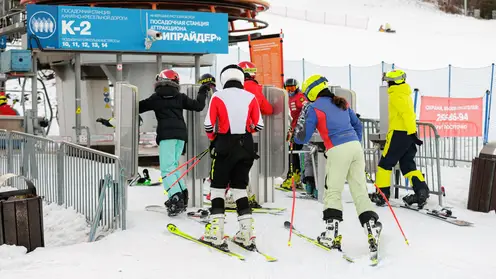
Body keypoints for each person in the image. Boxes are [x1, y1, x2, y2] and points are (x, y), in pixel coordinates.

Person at [294, 74, 381, 253]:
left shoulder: (313, 107)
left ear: (311, 91)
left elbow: (302, 137)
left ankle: (331, 234)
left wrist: (301, 120)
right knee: (359, 190)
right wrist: (352, 142)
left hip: (337, 148)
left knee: (332, 190)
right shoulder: (341, 103)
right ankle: (372, 228)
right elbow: (358, 126)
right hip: (355, 147)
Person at [202, 64, 263, 251]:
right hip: (246, 147)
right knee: (240, 189)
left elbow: (208, 125)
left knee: (218, 188)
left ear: (224, 79)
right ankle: (246, 234)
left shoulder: (217, 96)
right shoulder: (251, 97)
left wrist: (215, 139)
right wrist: (247, 131)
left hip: (224, 146)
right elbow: (258, 125)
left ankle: (216, 232)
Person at [140, 69, 209, 216]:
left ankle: (175, 197)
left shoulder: (156, 98)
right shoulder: (180, 97)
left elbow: (137, 107)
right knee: (174, 166)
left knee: (166, 169)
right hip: (180, 136)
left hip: (166, 136)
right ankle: (183, 195)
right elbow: (198, 106)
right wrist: (203, 91)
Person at [372, 69, 429, 208]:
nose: (388, 85)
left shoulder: (396, 94)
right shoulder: (405, 92)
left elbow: (407, 114)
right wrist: (412, 134)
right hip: (407, 134)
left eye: (389, 82)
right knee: (407, 164)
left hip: (399, 133)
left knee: (385, 164)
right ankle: (421, 191)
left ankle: (382, 194)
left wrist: (411, 132)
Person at [280, 78, 307, 190]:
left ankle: (295, 177)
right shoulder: (288, 98)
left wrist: (298, 128)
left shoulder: (300, 97)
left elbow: (305, 111)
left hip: (301, 128)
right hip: (294, 126)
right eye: (288, 88)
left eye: (293, 88)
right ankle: (295, 176)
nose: (291, 90)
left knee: (294, 151)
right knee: (292, 152)